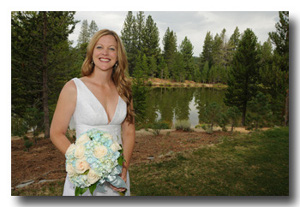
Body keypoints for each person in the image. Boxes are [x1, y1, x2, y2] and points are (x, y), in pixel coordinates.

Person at [50, 29, 135, 196]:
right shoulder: (74, 88)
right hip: (84, 177)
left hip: (117, 177)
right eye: (99, 47)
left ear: (118, 56)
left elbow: (129, 132)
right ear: (91, 53)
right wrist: (83, 164)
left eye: (112, 48)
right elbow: (56, 132)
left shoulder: (124, 89)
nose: (105, 53)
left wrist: (124, 167)